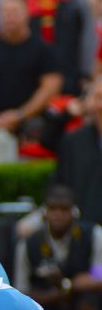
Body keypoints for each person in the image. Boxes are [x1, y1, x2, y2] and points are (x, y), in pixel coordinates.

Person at [13, 184, 102, 310]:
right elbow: (21, 290)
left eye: (64, 209)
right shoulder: (29, 244)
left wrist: (71, 286)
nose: (58, 215)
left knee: (87, 304)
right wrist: (58, 295)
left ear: (74, 211)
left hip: (84, 305)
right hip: (46, 304)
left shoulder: (93, 234)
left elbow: (98, 276)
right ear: (45, 212)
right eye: (53, 209)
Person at [0, 0, 61, 136]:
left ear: (26, 14)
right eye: (5, 13)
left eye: (14, 12)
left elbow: (50, 88)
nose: (9, 17)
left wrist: (20, 115)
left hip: (32, 120)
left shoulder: (44, 50)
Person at [25, 0, 95, 97]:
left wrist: (85, 72)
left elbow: (88, 38)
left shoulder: (75, 0)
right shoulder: (27, 0)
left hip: (69, 72)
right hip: (34, 74)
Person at [53, 76, 102, 226]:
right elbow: (46, 139)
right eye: (98, 98)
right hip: (82, 229)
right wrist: (67, 113)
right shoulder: (74, 140)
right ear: (89, 103)